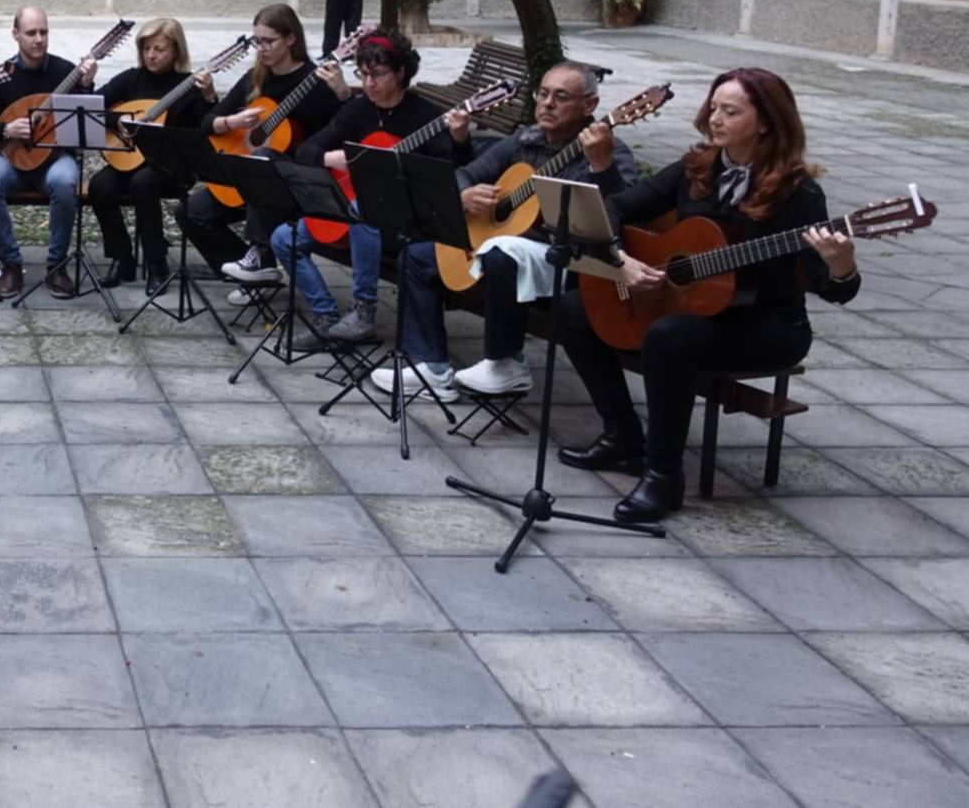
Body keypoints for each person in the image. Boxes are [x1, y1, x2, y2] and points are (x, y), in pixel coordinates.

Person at [554, 68, 860, 523]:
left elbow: (833, 289)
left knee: (667, 337)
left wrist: (841, 265)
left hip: (766, 323)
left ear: (766, 122)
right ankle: (622, 434)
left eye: (730, 111)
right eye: (714, 107)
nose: (715, 119)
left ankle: (663, 475)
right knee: (571, 308)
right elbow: (617, 206)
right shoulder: (699, 166)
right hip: (697, 307)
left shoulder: (798, 194)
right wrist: (623, 261)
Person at [375, 61, 639, 399]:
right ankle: (430, 366)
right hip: (504, 249)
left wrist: (602, 167)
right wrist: (466, 196)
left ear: (589, 106)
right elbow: (465, 174)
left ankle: (506, 363)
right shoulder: (524, 140)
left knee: (501, 256)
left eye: (561, 97)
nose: (547, 104)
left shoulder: (610, 152)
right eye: (542, 94)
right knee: (417, 257)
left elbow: (623, 211)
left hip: (566, 261)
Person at [278, 29, 474, 346]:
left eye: (378, 74)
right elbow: (306, 151)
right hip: (355, 213)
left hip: (402, 222)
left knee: (362, 208)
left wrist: (461, 138)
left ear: (401, 73)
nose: (369, 83)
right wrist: (337, 158)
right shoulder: (358, 109)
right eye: (363, 74)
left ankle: (364, 310)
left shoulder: (424, 116)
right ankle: (326, 315)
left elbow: (455, 169)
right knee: (284, 238)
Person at [176, 3, 344, 297]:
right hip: (245, 181)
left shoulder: (313, 82)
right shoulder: (257, 77)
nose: (261, 49)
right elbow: (207, 123)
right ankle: (255, 275)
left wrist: (342, 94)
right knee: (189, 212)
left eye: (268, 41)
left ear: (290, 39)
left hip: (287, 186)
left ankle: (258, 258)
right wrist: (231, 121)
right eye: (257, 41)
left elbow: (340, 130)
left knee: (263, 159)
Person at [0, 6, 98, 299]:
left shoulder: (66, 73)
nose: (39, 39)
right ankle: (11, 265)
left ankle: (57, 266)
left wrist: (86, 85)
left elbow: (85, 121)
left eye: (43, 32)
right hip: (10, 159)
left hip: (53, 159)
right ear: (15, 35)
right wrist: (6, 131)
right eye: (31, 33)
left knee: (65, 181)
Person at [88, 17, 216, 291]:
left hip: (172, 166)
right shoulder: (131, 79)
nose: (151, 55)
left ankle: (157, 261)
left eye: (159, 49)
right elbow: (92, 106)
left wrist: (209, 99)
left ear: (176, 51)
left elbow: (205, 130)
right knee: (99, 185)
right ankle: (122, 258)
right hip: (131, 158)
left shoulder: (188, 84)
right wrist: (117, 121)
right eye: (146, 48)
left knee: (142, 184)